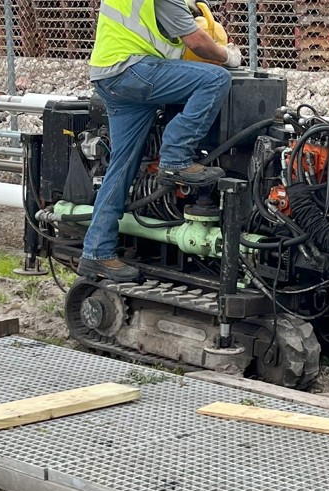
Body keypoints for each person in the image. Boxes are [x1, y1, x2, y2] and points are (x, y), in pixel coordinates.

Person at [78, 0, 242, 282]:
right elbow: (197, 42)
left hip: (109, 74)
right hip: (131, 70)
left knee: (122, 167)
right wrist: (228, 57)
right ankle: (176, 157)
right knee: (215, 80)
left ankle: (96, 252)